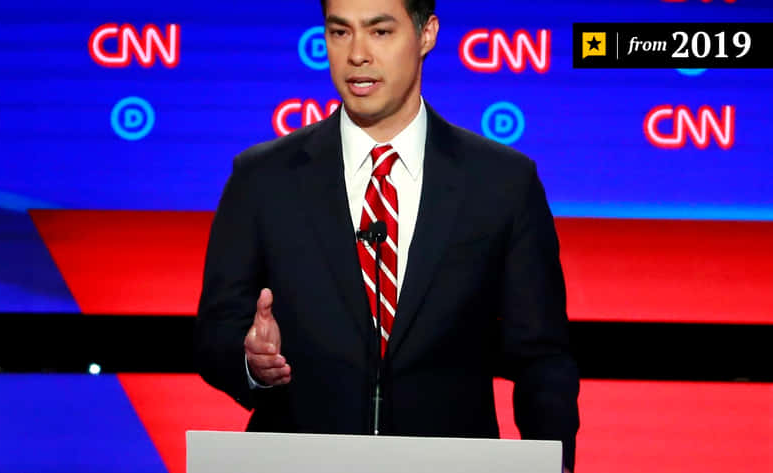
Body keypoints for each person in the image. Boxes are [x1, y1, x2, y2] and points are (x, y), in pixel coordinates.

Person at [194, 0, 580, 471]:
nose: (357, 54)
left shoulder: (501, 182)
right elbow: (215, 333)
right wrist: (252, 363)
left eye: (379, 32)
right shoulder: (263, 178)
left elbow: (542, 355)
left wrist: (553, 457)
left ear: (426, 34)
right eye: (340, 33)